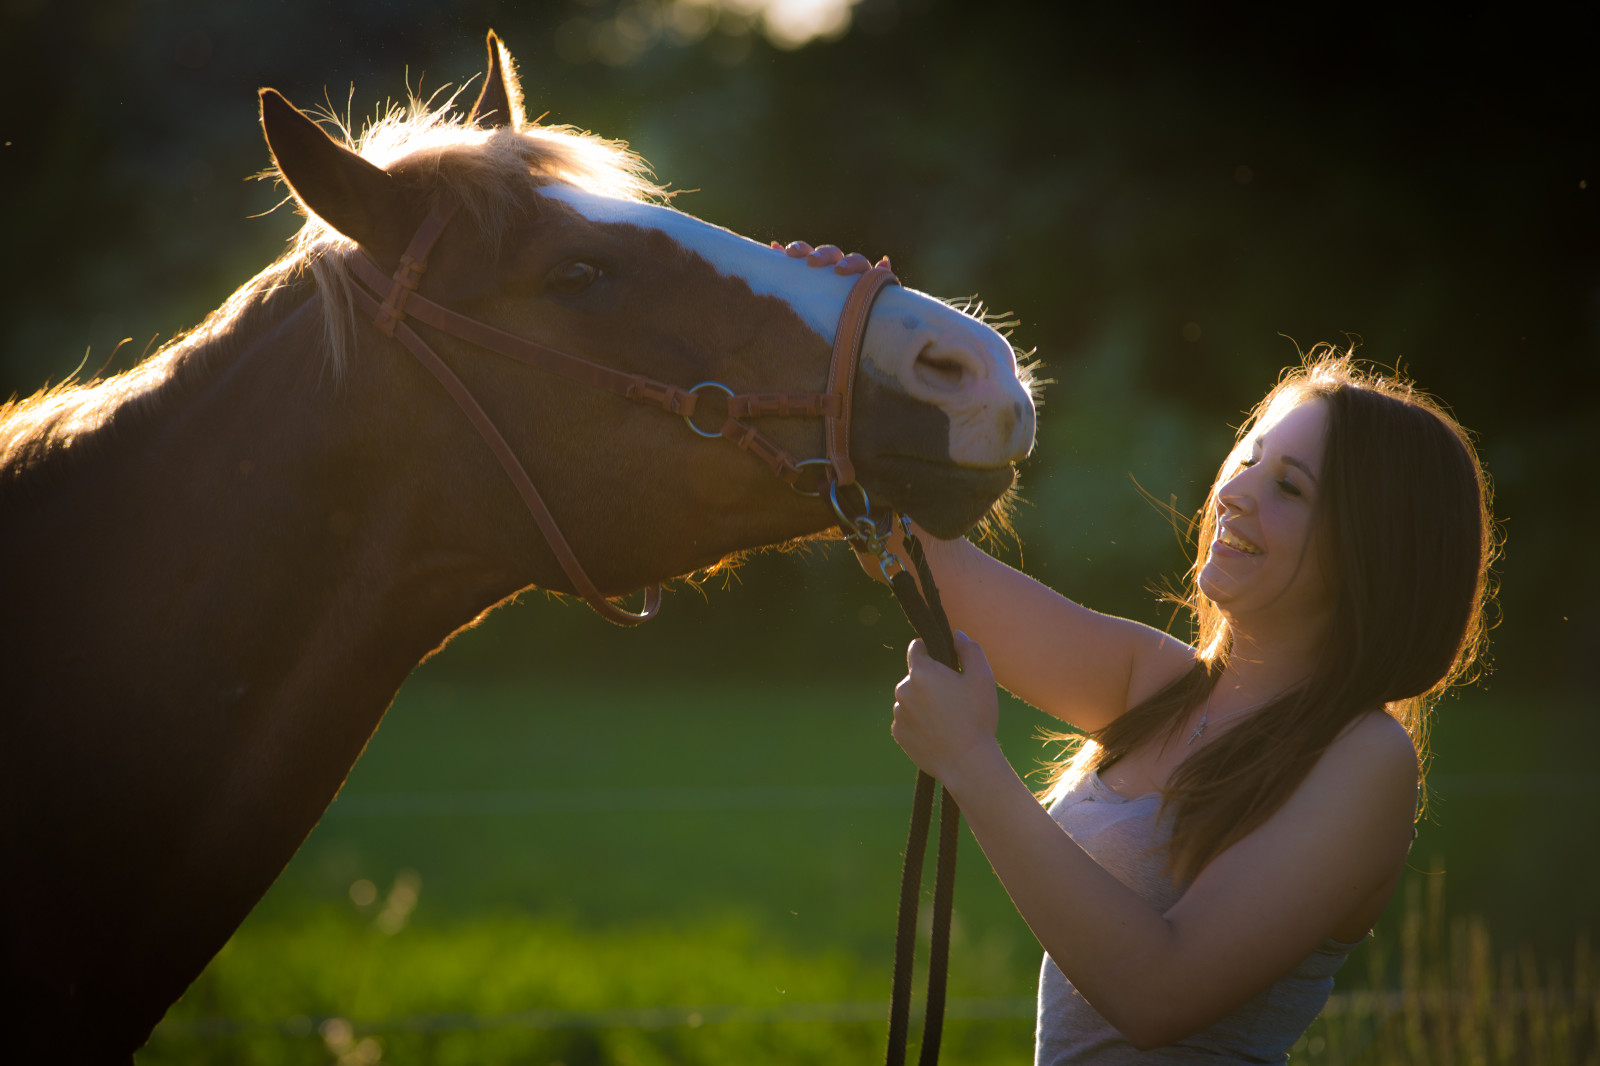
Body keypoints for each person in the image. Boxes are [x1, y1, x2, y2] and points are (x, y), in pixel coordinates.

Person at [782, 239, 1497, 1062]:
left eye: (1289, 488)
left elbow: (1160, 992)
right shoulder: (1158, 685)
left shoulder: (1365, 759)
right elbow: (908, 548)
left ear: (1375, 551)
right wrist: (835, 331)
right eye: (1249, 459)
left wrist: (972, 762)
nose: (1232, 492)